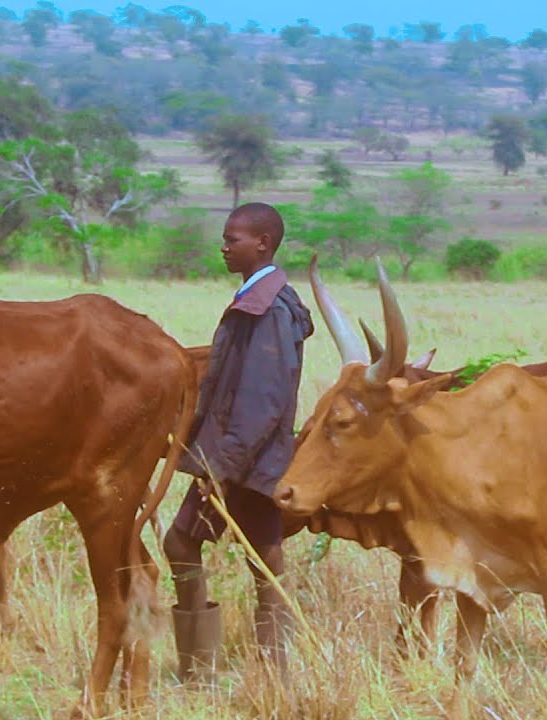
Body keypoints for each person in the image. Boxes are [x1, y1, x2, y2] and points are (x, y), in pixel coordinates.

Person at [163, 202, 313, 682]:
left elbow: (262, 401)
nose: (224, 247)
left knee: (182, 541)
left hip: (242, 463)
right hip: (254, 460)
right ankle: (274, 672)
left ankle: (200, 671)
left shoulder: (267, 310)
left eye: (233, 239)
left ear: (262, 243)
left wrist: (218, 468)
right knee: (264, 560)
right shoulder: (260, 300)